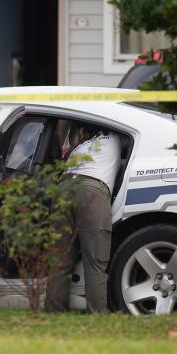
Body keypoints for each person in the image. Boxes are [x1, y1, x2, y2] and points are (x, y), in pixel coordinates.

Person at [45, 122, 121, 313]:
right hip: (92, 190)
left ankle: (53, 314)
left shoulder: (79, 146)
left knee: (60, 262)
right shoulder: (118, 135)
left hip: (64, 188)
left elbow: (62, 130)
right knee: (95, 263)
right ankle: (97, 314)